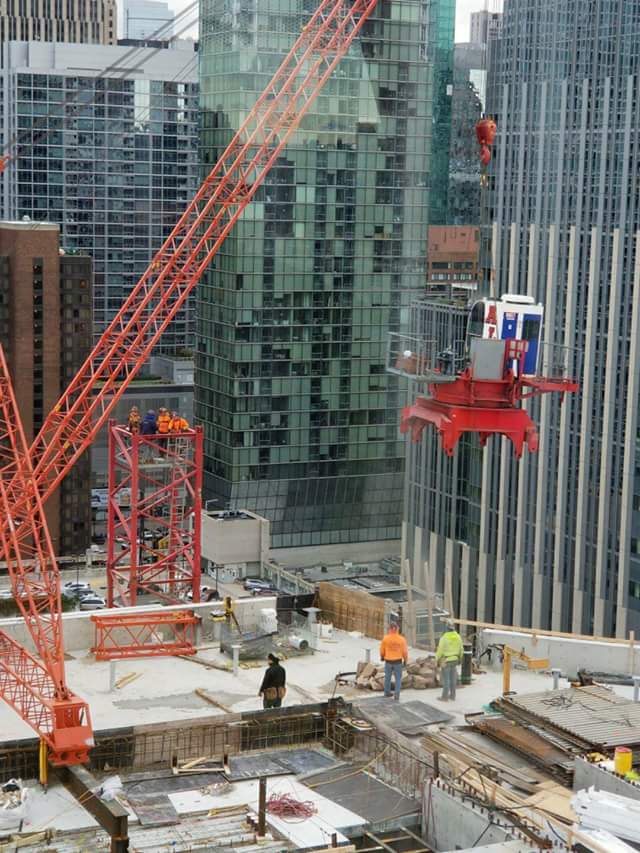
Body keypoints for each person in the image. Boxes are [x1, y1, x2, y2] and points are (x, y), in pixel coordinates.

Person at [379, 622, 408, 701]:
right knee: (398, 678)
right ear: (397, 629)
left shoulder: (385, 638)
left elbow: (382, 650)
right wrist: (405, 660)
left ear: (390, 629)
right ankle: (397, 695)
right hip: (398, 662)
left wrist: (382, 656)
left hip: (388, 661)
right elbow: (405, 652)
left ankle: (386, 693)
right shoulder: (402, 640)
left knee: (387, 677)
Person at [436, 620, 463, 702]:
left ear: (446, 627)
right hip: (455, 659)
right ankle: (452, 696)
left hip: (446, 660)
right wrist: (460, 658)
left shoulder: (444, 638)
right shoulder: (458, 636)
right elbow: (461, 649)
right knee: (453, 678)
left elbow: (440, 650)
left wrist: (437, 660)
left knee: (446, 679)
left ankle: (444, 697)